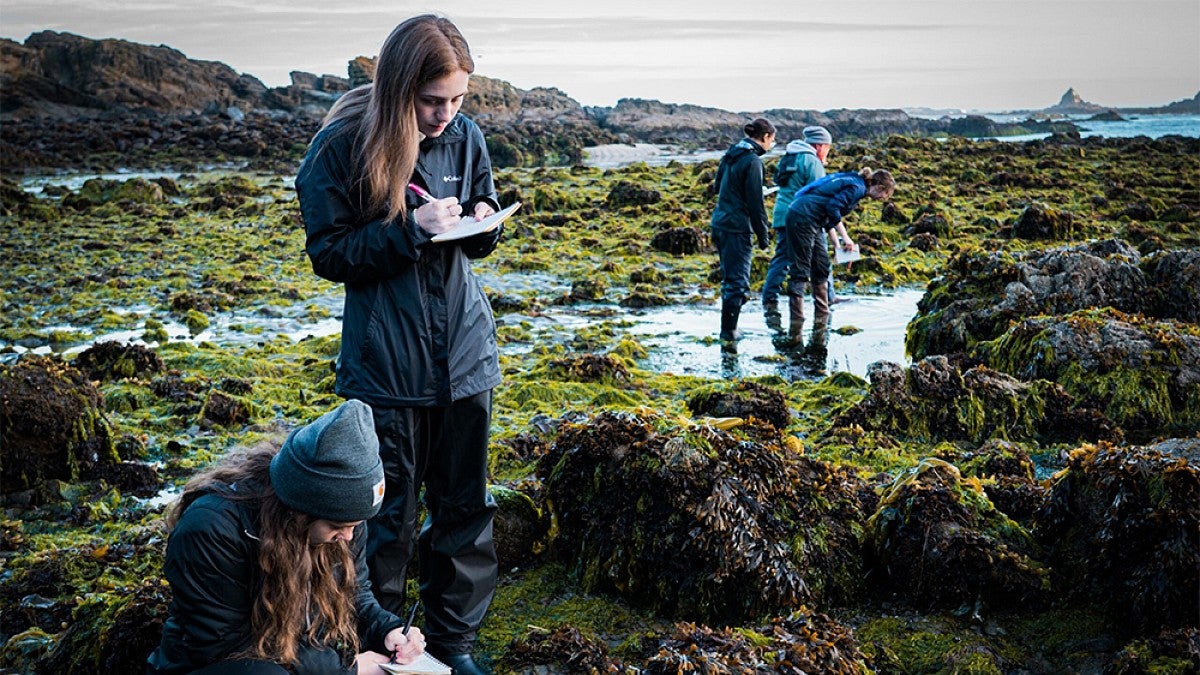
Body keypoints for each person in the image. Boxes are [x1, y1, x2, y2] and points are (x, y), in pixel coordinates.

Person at [294, 14, 500, 675]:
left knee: (466, 508)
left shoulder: (465, 137)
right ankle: (380, 646)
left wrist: (480, 223)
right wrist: (409, 230)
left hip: (466, 358)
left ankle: (450, 644)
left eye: (459, 100)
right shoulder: (343, 147)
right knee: (384, 521)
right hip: (385, 369)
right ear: (399, 88)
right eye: (433, 101)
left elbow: (482, 217)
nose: (446, 116)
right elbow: (329, 254)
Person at [147, 400, 427, 675]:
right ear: (302, 509)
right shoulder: (211, 529)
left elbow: (354, 594)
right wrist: (347, 669)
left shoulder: (343, 522)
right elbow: (225, 643)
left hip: (296, 658)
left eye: (357, 524)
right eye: (338, 525)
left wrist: (387, 629)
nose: (349, 535)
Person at [784, 167, 896, 335]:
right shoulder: (857, 188)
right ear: (879, 187)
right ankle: (796, 320)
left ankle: (822, 314)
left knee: (822, 266)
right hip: (802, 217)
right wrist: (847, 238)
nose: (882, 199)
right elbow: (833, 208)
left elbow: (828, 214)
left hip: (814, 219)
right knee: (800, 269)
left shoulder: (854, 183)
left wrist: (837, 245)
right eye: (885, 195)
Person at [710, 117, 776, 346]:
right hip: (737, 227)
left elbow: (717, 186)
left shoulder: (731, 153)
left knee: (730, 279)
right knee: (737, 283)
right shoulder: (753, 161)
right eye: (772, 141)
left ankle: (729, 329)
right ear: (766, 137)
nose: (771, 146)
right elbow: (756, 203)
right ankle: (729, 332)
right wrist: (763, 235)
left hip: (720, 221)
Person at [762, 125, 833, 322]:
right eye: (827, 147)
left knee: (783, 258)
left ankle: (769, 298)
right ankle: (828, 299)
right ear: (819, 146)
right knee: (820, 257)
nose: (828, 151)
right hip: (804, 218)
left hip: (781, 214)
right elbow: (821, 195)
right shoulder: (812, 162)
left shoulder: (789, 156)